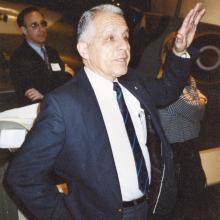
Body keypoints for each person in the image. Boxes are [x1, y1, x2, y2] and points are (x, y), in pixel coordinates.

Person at [4, 3, 205, 220]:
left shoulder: (132, 82)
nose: (124, 47)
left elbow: (167, 91)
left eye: (125, 37)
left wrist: (179, 51)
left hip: (146, 209)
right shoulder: (64, 105)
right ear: (84, 49)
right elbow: (23, 176)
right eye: (110, 38)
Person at [157, 33, 208, 219]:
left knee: (193, 198)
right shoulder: (166, 83)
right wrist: (199, 101)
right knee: (182, 204)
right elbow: (197, 110)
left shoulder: (185, 80)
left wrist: (198, 101)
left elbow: (197, 104)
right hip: (176, 152)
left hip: (187, 149)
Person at [10, 7, 74, 106]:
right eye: (34, 25)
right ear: (24, 30)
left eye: (43, 24)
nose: (41, 29)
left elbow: (67, 86)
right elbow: (36, 89)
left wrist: (44, 94)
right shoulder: (19, 57)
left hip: (59, 107)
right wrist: (67, 74)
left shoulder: (52, 52)